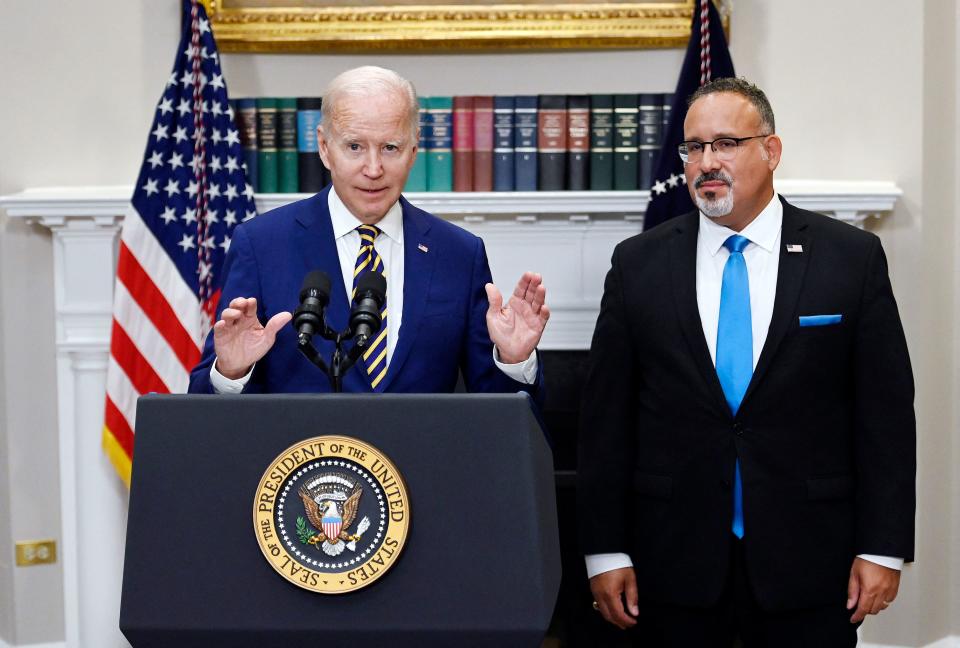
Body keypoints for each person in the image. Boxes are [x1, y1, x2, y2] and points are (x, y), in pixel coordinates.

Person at [577, 77, 915, 647]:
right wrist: (604, 550)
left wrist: (882, 547)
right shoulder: (638, 263)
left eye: (726, 143)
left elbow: (883, 415)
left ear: (772, 150)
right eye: (694, 148)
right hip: (671, 567)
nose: (707, 162)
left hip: (811, 564)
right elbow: (606, 420)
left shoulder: (849, 258)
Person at [188, 66, 549, 396]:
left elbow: (500, 418)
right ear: (325, 148)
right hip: (304, 463)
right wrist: (233, 371)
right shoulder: (261, 244)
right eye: (355, 147)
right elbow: (204, 408)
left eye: (390, 147)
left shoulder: (459, 253)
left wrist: (514, 360)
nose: (373, 168)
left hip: (420, 465)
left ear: (413, 149)